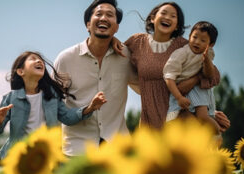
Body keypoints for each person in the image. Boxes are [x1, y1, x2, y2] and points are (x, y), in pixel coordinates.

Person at [113, 2, 230, 131]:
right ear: (153, 18)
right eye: (163, 13)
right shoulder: (137, 42)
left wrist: (208, 112)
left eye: (173, 16)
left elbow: (214, 76)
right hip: (149, 121)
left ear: (176, 26)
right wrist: (112, 39)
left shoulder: (184, 46)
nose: (167, 17)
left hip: (181, 120)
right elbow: (115, 54)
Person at [54, 0, 139, 156]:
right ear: (88, 24)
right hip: (76, 149)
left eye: (110, 15)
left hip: (117, 148)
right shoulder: (66, 59)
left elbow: (146, 83)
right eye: (98, 14)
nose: (104, 18)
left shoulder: (125, 56)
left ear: (117, 27)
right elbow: (52, 104)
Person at [0, 51, 107, 159]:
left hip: (47, 156)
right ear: (20, 71)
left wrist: (90, 108)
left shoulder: (52, 96)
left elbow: (67, 117)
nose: (39, 61)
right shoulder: (11, 98)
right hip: (19, 158)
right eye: (33, 59)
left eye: (40, 60)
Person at [164, 21, 220, 134]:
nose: (197, 42)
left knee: (203, 117)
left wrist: (207, 61)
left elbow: (209, 75)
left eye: (203, 40)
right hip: (178, 90)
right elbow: (169, 77)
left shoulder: (208, 52)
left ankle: (217, 134)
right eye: (194, 37)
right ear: (189, 36)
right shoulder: (181, 54)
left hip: (198, 88)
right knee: (172, 121)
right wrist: (179, 97)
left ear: (211, 44)